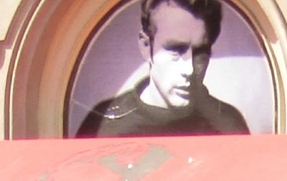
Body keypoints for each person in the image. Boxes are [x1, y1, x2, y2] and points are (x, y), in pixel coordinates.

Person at [75, 0, 250, 137]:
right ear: (145, 46)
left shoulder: (227, 123)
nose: (188, 70)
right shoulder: (103, 124)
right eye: (175, 50)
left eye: (200, 52)